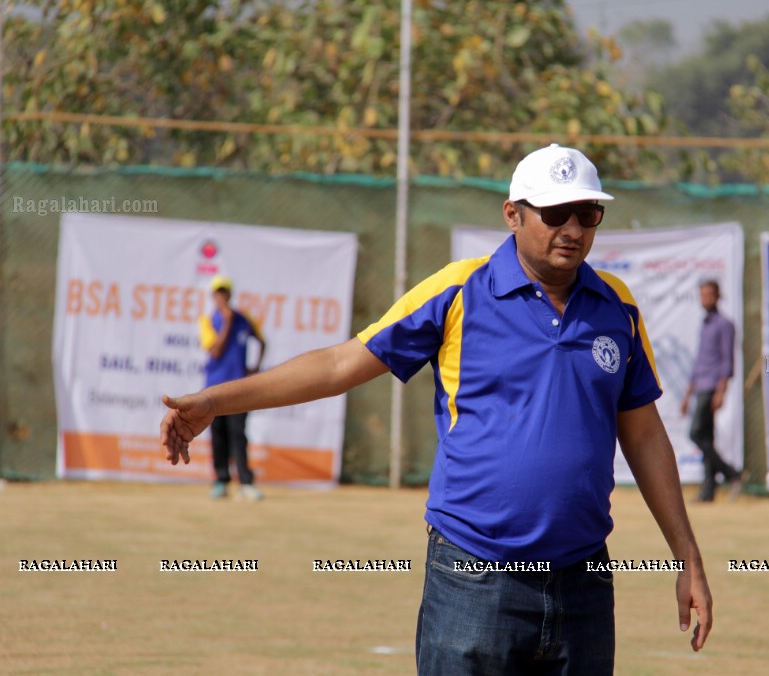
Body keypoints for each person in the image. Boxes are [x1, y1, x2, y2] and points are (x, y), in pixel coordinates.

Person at [162, 144, 712, 674]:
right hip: (474, 581)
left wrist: (688, 558)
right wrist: (215, 401)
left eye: (588, 213)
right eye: (555, 212)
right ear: (513, 215)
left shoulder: (618, 306)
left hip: (584, 583)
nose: (573, 228)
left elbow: (642, 436)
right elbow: (337, 366)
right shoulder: (458, 291)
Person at [199, 274, 266, 501]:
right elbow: (215, 351)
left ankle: (246, 483)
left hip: (239, 388)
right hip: (214, 389)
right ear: (213, 295)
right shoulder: (208, 321)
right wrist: (226, 321)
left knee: (238, 434)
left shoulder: (243, 319)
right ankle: (221, 481)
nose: (222, 296)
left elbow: (262, 341)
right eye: (218, 292)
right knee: (218, 436)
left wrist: (254, 367)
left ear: (230, 294)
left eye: (224, 291)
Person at [680, 279, 743, 503]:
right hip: (700, 387)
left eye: (709, 294)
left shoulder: (724, 324)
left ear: (718, 296)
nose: (705, 299)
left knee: (695, 434)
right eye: (702, 294)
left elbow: (727, 361)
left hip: (711, 388)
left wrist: (721, 391)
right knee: (706, 437)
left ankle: (732, 473)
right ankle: (708, 492)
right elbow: (699, 362)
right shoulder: (705, 323)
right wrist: (688, 394)